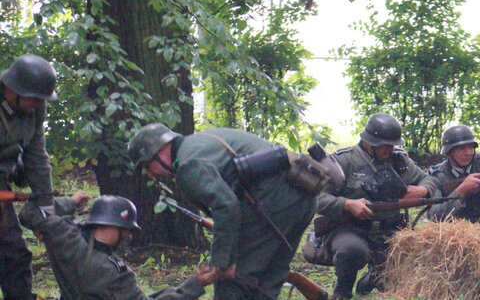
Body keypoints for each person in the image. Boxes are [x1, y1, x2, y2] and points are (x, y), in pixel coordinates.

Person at [128, 124, 318, 299]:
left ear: (159, 151)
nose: (151, 174)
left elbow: (226, 207)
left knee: (232, 282)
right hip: (303, 198)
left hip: (274, 205)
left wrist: (220, 263)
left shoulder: (188, 165)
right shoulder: (203, 140)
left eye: (147, 166)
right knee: (270, 276)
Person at [312, 113, 436, 299]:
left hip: (390, 229)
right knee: (351, 250)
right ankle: (343, 287)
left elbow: (428, 179)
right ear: (369, 142)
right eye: (385, 145)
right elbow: (316, 197)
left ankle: (374, 277)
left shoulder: (399, 161)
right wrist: (346, 203)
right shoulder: (344, 161)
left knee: (408, 267)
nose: (390, 148)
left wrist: (424, 190)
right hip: (350, 228)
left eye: (393, 144)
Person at [19, 192, 215, 299]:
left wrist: (69, 202)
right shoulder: (114, 273)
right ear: (117, 226)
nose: (129, 236)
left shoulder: (67, 238)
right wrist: (194, 285)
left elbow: (30, 212)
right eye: (127, 229)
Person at [0, 54, 58, 299]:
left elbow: (36, 155)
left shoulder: (35, 106)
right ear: (13, 90)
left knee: (14, 255)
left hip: (5, 173)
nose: (38, 104)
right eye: (34, 99)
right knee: (10, 245)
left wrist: (46, 207)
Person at [427, 125, 480, 222]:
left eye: (471, 147)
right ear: (449, 151)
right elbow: (433, 215)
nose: (468, 152)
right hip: (456, 231)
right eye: (461, 148)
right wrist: (461, 191)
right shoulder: (437, 176)